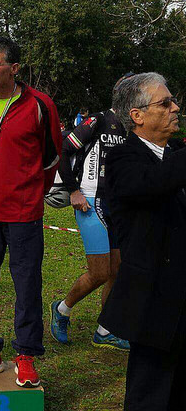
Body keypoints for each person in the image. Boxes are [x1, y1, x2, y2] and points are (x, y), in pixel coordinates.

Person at [98, 72, 186, 411]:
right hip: (150, 290)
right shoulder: (123, 159)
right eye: (165, 103)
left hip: (182, 285)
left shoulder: (176, 154)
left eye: (173, 102)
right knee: (151, 382)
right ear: (137, 115)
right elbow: (154, 187)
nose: (174, 109)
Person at [0, 35, 62, 388]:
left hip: (24, 213)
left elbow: (50, 157)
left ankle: (27, 354)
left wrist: (32, 194)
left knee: (27, 284)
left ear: (14, 68)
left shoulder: (40, 105)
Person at [51, 95, 128, 350]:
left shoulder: (131, 127)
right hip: (90, 200)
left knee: (116, 270)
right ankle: (62, 310)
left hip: (116, 203)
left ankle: (105, 330)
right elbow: (64, 149)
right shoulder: (99, 120)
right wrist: (74, 190)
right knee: (99, 272)